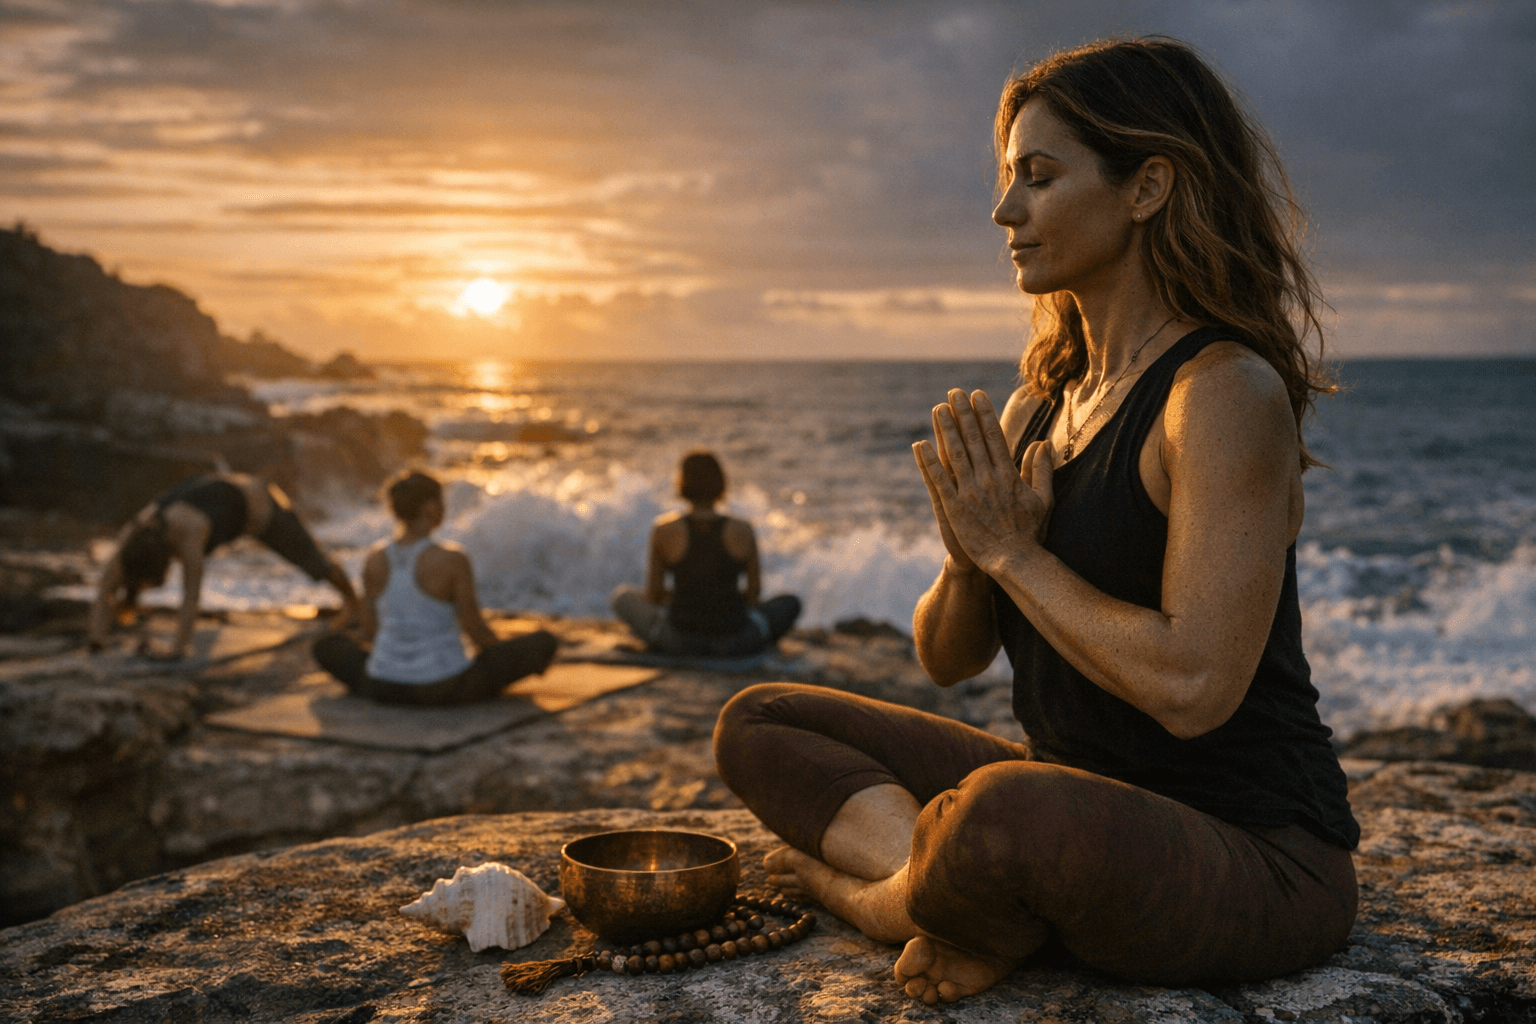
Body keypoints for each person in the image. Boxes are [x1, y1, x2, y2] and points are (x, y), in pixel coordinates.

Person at [714, 37, 1357, 1005]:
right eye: (1010, 178)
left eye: (1039, 178)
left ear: (1147, 187)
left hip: (1251, 849)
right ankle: (962, 890)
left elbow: (1195, 684)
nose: (1004, 210)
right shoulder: (1039, 408)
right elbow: (946, 656)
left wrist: (1016, 552)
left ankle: (885, 897)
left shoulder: (1222, 392)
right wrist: (973, 558)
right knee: (760, 720)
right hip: (1074, 799)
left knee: (1007, 810)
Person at [311, 470, 557, 706]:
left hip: (381, 685)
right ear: (430, 508)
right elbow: (475, 630)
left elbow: (370, 628)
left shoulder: (374, 559)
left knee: (326, 646)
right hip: (445, 687)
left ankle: (395, 678)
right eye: (442, 502)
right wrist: (500, 659)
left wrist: (398, 658)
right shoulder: (453, 560)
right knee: (544, 641)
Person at [88, 472, 358, 659]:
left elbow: (191, 595)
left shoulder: (190, 531)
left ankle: (355, 604)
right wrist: (97, 641)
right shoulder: (132, 538)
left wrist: (178, 648)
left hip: (260, 508)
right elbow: (104, 589)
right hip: (225, 500)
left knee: (315, 565)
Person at [611, 449, 800, 658]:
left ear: (682, 483)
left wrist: (684, 598)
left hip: (679, 641)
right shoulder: (743, 530)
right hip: (735, 641)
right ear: (720, 483)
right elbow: (754, 593)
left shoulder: (664, 529)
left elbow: (654, 595)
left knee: (622, 596)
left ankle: (661, 640)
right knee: (790, 603)